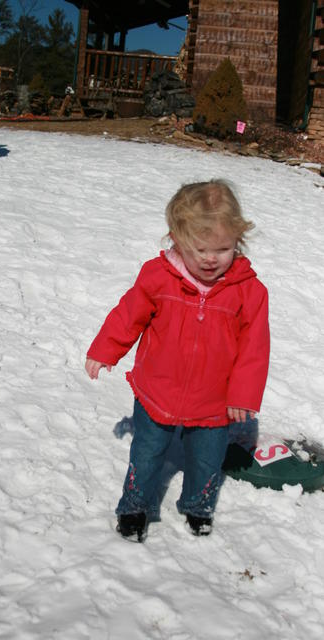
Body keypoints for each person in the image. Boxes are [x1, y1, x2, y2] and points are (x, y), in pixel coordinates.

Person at [85, 180, 270, 540]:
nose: (211, 258)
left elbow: (255, 346)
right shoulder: (159, 277)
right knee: (147, 453)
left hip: (215, 402)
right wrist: (105, 349)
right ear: (177, 238)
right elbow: (128, 315)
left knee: (206, 461)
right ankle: (135, 506)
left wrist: (243, 396)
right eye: (199, 248)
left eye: (223, 248)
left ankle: (198, 507)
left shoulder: (249, 291)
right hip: (157, 390)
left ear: (238, 240)